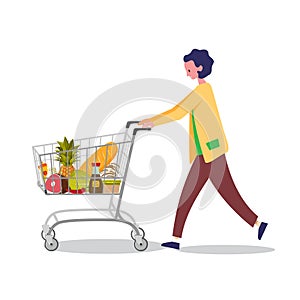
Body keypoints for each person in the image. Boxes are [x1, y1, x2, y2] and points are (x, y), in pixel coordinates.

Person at [139, 49, 268, 250]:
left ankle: (176, 238)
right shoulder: (204, 91)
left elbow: (178, 111)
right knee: (227, 194)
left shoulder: (202, 92)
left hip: (210, 154)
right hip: (208, 153)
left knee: (192, 195)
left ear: (199, 68)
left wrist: (152, 122)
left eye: (189, 69)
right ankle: (257, 223)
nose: (187, 73)